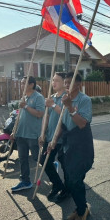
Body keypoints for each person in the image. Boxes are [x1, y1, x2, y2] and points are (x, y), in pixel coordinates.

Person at [53, 72, 94, 220]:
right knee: (71, 181)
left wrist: (70, 106)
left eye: (70, 82)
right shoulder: (64, 99)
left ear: (78, 84)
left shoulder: (84, 100)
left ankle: (82, 211)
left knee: (75, 180)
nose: (66, 85)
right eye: (65, 82)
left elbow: (82, 123)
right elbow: (62, 125)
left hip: (81, 146)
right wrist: (54, 141)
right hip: (68, 145)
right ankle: (81, 208)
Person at [10, 76, 45, 192]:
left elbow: (40, 114)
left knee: (36, 157)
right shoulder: (24, 97)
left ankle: (50, 164)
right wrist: (14, 131)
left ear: (31, 84)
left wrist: (25, 106)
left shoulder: (38, 97)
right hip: (21, 134)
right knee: (23, 158)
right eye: (21, 83)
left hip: (33, 134)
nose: (21, 86)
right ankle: (25, 181)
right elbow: (21, 116)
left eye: (24, 83)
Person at [38, 72, 69, 202]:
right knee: (44, 160)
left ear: (63, 82)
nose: (53, 83)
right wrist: (42, 133)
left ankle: (67, 189)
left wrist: (52, 105)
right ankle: (57, 184)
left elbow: (65, 115)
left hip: (62, 137)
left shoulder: (66, 97)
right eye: (53, 80)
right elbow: (47, 116)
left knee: (65, 165)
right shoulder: (51, 97)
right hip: (50, 136)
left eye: (56, 80)